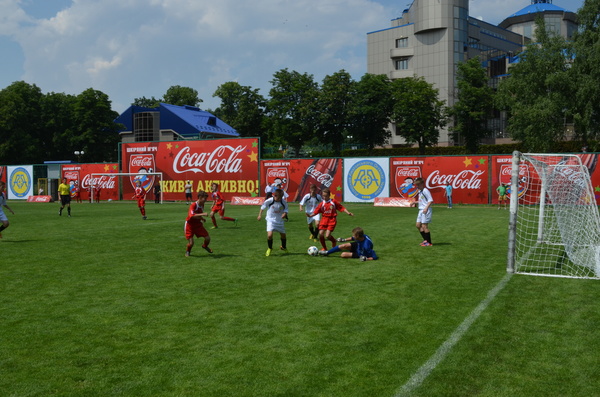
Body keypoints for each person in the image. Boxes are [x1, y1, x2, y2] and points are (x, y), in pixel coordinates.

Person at [307, 188, 354, 253]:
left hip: (332, 219)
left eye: (326, 196)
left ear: (329, 195)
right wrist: (310, 215)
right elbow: (316, 211)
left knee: (327, 235)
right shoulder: (322, 203)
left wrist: (348, 212)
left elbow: (341, 207)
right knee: (320, 234)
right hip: (324, 219)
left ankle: (334, 241)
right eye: (323, 196)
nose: (324, 197)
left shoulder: (333, 202)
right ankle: (324, 248)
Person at [257, 188, 288, 256]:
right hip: (270, 220)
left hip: (279, 221)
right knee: (269, 235)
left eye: (281, 198)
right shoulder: (270, 200)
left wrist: (284, 214)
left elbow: (286, 210)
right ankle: (270, 248)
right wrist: (259, 215)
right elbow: (263, 207)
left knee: (283, 236)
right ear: (274, 195)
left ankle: (284, 247)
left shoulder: (283, 202)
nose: (279, 199)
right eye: (278, 197)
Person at [185, 190, 213, 257]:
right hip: (190, 225)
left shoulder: (202, 204)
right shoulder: (193, 205)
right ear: (200, 197)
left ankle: (205, 246)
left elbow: (197, 214)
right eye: (204, 198)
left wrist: (201, 218)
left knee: (207, 238)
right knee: (191, 243)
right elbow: (191, 215)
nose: (206, 200)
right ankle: (187, 251)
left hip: (198, 225)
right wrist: (203, 214)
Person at [411, 177, 433, 246]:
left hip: (425, 210)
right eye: (416, 185)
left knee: (424, 226)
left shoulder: (425, 190)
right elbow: (422, 200)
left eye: (418, 185)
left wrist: (426, 208)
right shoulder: (420, 191)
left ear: (422, 184)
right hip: (421, 210)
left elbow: (430, 200)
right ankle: (425, 240)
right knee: (418, 225)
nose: (417, 186)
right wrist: (415, 202)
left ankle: (429, 243)